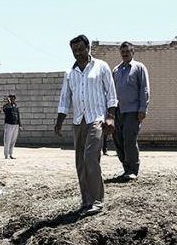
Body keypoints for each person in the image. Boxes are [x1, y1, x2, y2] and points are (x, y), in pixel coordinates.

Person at [54, 35, 118, 215]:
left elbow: (111, 94)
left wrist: (111, 117)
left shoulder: (101, 67)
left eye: (81, 49)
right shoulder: (70, 73)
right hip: (78, 122)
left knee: (91, 157)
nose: (78, 53)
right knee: (80, 163)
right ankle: (86, 201)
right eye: (74, 51)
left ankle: (97, 200)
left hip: (96, 119)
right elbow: (65, 99)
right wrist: (59, 122)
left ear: (88, 47)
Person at [112, 41, 150, 180]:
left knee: (129, 139)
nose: (125, 54)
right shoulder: (116, 70)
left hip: (133, 111)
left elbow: (144, 89)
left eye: (127, 51)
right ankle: (126, 168)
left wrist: (143, 109)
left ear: (133, 52)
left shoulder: (139, 68)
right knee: (118, 140)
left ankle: (133, 169)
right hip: (117, 111)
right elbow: (111, 92)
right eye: (122, 52)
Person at [2, 94, 20, 158]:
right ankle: (6, 154)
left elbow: (18, 116)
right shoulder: (6, 106)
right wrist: (9, 103)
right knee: (7, 140)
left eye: (14, 99)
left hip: (16, 125)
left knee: (13, 140)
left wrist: (19, 124)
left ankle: (11, 154)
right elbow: (4, 110)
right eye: (11, 98)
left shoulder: (16, 106)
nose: (13, 100)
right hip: (9, 124)